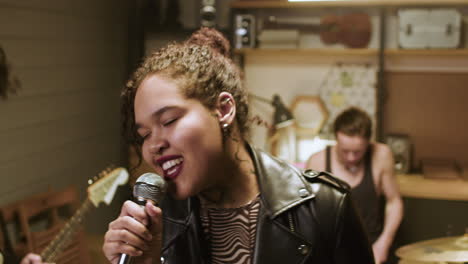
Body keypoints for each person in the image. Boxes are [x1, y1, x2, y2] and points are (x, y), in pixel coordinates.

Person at [102, 27, 375, 264]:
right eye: (144, 134)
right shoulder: (157, 223)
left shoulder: (324, 207)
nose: (154, 146)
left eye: (169, 120)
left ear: (223, 110)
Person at [306, 107, 404, 264]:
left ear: (368, 143)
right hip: (333, 251)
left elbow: (394, 202)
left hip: (372, 247)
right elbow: (309, 215)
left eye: (358, 152)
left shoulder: (381, 155)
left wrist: (384, 243)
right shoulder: (317, 162)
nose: (351, 158)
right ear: (336, 139)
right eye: (345, 151)